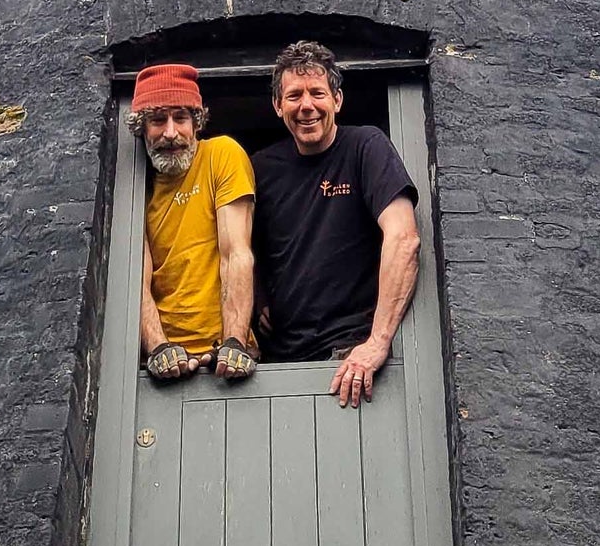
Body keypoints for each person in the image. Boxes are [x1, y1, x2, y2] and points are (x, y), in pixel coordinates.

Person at [253, 39, 419, 407]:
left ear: (337, 101)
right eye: (294, 96)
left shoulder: (366, 147)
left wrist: (378, 342)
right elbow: (239, 246)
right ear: (278, 106)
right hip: (280, 361)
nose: (307, 106)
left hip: (351, 357)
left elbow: (404, 239)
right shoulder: (261, 168)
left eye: (318, 93)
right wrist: (258, 297)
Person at [133, 61, 257, 385]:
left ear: (197, 122)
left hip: (226, 352)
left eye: (181, 118)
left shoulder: (221, 155)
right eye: (158, 120)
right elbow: (136, 276)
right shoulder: (134, 185)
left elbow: (236, 254)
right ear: (141, 127)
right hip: (166, 359)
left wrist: (235, 342)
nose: (171, 133)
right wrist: (158, 346)